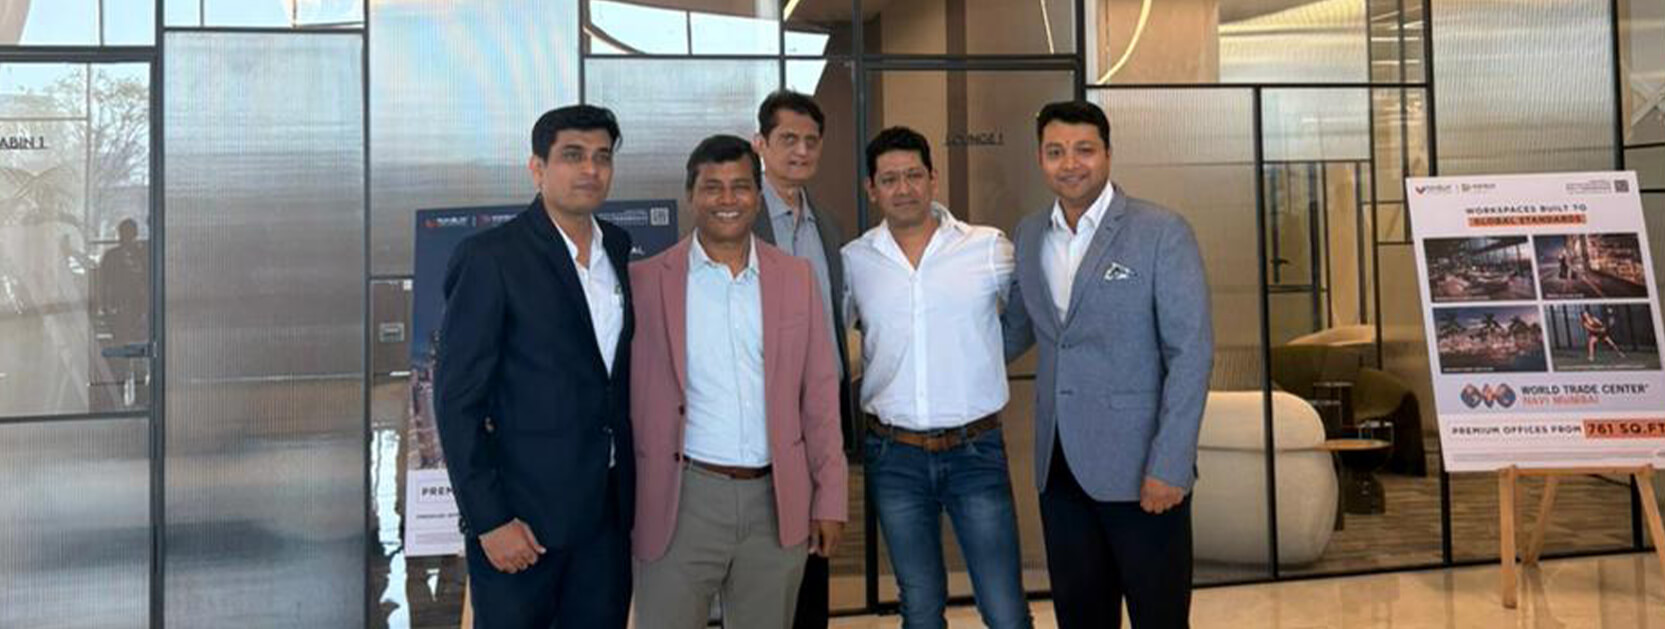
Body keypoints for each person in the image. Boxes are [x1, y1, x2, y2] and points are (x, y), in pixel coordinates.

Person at [1002, 100, 1213, 628]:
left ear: (1108, 154)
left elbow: (1190, 354)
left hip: (1142, 469)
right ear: (1040, 159)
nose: (1070, 163)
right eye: (1056, 152)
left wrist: (1171, 463)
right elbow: (1016, 333)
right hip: (1059, 468)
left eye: (1084, 150)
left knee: (1159, 618)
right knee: (1080, 618)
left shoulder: (1161, 231)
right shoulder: (1029, 234)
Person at [629, 134, 848, 629]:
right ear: (691, 195)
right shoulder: (645, 281)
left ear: (758, 194)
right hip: (681, 499)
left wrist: (830, 496)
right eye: (712, 187)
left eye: (741, 186)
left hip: (776, 501)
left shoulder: (796, 277)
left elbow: (819, 398)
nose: (727, 199)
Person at [434, 104, 634, 628]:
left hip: (606, 519)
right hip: (522, 522)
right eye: (573, 155)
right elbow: (457, 402)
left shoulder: (617, 246)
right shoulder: (490, 258)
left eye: (602, 157)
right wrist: (489, 520)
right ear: (537, 168)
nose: (590, 169)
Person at [842, 127, 1030, 628]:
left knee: (1004, 607)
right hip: (894, 455)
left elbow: (1026, 317)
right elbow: (839, 339)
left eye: (913, 175)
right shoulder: (856, 260)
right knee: (920, 606)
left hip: (975, 452)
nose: (903, 188)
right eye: (889, 179)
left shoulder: (987, 247)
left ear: (933, 179)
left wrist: (984, 358)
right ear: (871, 189)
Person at [750, 90, 852, 629]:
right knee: (763, 572)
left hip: (818, 420)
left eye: (811, 141)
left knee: (815, 558)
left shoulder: (827, 227)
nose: (801, 151)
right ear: (760, 144)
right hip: (757, 424)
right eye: (788, 139)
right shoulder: (738, 220)